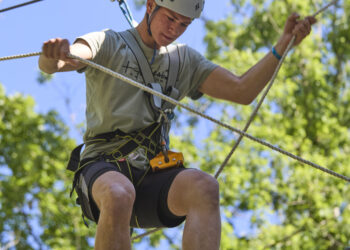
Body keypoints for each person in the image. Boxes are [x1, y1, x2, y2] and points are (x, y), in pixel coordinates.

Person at [39, 0, 316, 249]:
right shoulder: (110, 43)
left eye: (184, 24)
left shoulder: (184, 61)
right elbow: (67, 59)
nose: (174, 29)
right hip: (105, 167)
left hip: (151, 175)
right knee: (119, 193)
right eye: (170, 19)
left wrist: (283, 45)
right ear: (150, 6)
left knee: (204, 187)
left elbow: (242, 91)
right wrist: (54, 56)